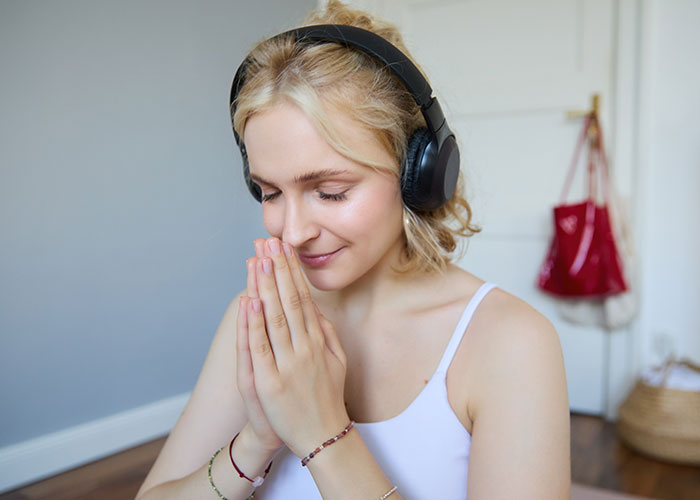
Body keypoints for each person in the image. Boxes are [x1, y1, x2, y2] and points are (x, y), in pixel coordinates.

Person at [135, 2, 571, 499]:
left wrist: (322, 431)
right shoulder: (262, 320)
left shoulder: (510, 342)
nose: (292, 232)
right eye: (270, 193)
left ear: (417, 173)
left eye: (331, 191)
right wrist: (256, 441)